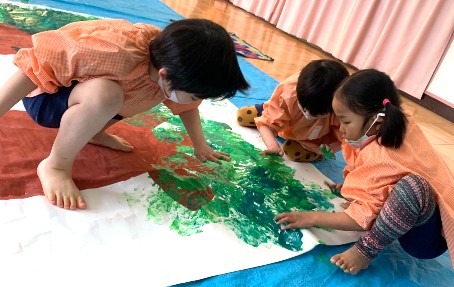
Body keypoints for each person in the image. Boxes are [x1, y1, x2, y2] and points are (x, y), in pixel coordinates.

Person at [0, 18, 249, 210]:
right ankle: (55, 165)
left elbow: (187, 106)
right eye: (196, 95)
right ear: (165, 75)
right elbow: (36, 62)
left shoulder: (174, 63)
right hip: (47, 100)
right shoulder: (115, 53)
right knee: (107, 94)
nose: (199, 101)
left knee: (113, 97)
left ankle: (92, 131)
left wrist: (200, 145)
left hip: (86, 104)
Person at [275, 69, 454, 274]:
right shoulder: (395, 121)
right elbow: (386, 178)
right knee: (408, 186)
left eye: (346, 121)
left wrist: (312, 217)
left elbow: (360, 220)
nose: (341, 129)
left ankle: (365, 251)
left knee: (413, 187)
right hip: (421, 217)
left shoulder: (381, 155)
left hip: (426, 239)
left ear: (376, 122)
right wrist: (357, 191)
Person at [236, 60, 348, 162]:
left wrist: (328, 148)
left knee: (292, 151)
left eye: (317, 114)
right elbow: (266, 125)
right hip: (283, 113)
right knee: (242, 116)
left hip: (312, 137)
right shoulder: (289, 94)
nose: (308, 115)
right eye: (304, 109)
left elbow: (345, 139)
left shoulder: (341, 110)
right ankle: (266, 110)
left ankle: (313, 151)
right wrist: (272, 146)